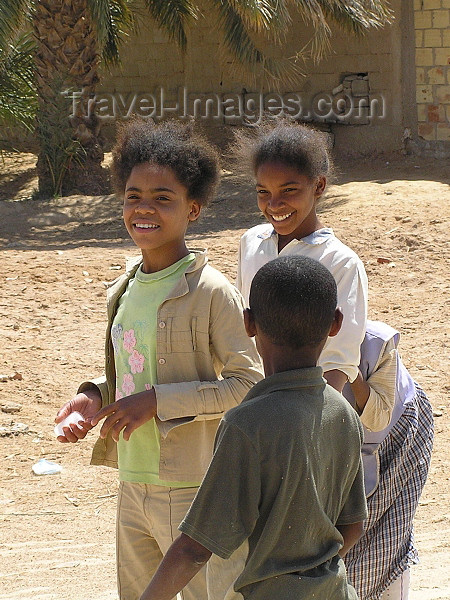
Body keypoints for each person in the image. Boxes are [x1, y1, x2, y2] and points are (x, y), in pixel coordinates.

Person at [54, 118, 263, 600]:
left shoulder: (211, 292)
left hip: (195, 490)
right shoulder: (124, 287)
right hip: (132, 482)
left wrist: (158, 402)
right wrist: (92, 396)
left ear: (192, 209)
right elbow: (130, 371)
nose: (144, 209)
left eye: (162, 198)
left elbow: (247, 383)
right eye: (133, 196)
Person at [139, 255, 368, 600]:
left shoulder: (246, 424)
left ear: (248, 323)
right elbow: (352, 527)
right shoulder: (344, 413)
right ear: (335, 323)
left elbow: (195, 548)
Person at [234, 120, 368, 392]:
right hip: (252, 398)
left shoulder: (341, 262)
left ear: (318, 186)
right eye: (263, 192)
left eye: (289, 190)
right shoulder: (251, 243)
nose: (274, 204)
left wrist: (307, 421)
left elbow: (338, 362)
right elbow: (242, 332)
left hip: (309, 403)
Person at [342, 320, 434, 600]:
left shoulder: (374, 346)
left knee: (388, 544)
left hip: (396, 438)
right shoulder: (275, 346)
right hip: (344, 456)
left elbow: (377, 414)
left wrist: (349, 369)